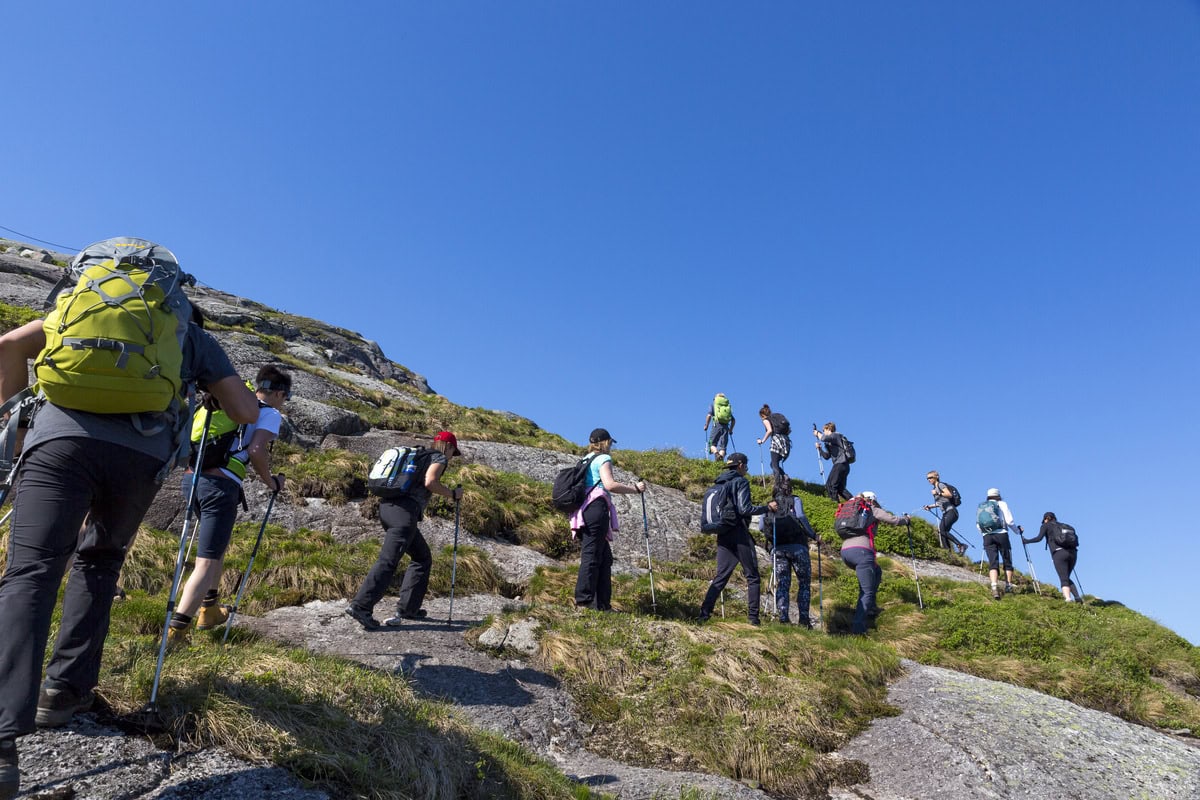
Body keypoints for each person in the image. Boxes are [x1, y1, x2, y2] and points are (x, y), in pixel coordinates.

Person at [0, 238, 258, 800]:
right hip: (139, 457)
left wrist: (22, 421)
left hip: (58, 443)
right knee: (100, 562)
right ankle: (65, 693)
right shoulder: (185, 328)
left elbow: (7, 346)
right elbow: (245, 412)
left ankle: (2, 739)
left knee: (32, 573)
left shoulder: (74, 307)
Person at [167, 365, 291, 645]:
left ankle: (209, 609)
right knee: (206, 561)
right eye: (285, 397)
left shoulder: (227, 402)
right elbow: (257, 450)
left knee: (215, 549)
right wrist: (271, 482)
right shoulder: (269, 413)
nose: (283, 402)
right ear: (280, 393)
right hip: (221, 486)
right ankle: (177, 631)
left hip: (192, 479)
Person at [345, 431, 464, 629]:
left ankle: (409, 608)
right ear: (448, 446)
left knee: (422, 557)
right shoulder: (439, 457)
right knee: (389, 560)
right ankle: (361, 606)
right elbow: (430, 482)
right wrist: (453, 494)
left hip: (387, 509)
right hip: (404, 513)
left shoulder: (417, 455)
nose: (453, 456)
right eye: (453, 451)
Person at [569, 428, 645, 610]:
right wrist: (635, 489)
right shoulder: (603, 459)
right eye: (610, 442)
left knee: (604, 557)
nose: (611, 446)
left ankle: (603, 604)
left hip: (583, 511)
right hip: (596, 508)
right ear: (606, 442)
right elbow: (609, 484)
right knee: (593, 555)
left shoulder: (585, 459)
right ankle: (584, 601)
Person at [698, 453, 777, 625]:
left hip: (723, 532)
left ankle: (704, 613)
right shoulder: (740, 481)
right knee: (753, 576)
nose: (747, 469)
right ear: (740, 465)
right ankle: (753, 619)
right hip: (739, 533)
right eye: (746, 465)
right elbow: (745, 508)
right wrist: (767, 508)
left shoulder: (718, 483)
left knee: (721, 576)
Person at [840, 491, 908, 634]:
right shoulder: (871, 509)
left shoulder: (852, 509)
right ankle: (858, 628)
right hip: (862, 552)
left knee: (876, 571)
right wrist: (906, 520)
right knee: (867, 591)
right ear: (872, 500)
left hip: (846, 551)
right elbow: (893, 520)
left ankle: (870, 607)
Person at [757, 484, 819, 627]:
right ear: (789, 490)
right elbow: (801, 516)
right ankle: (804, 620)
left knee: (783, 583)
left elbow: (761, 527)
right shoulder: (795, 500)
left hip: (778, 548)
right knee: (804, 583)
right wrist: (813, 535)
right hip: (798, 547)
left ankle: (783, 617)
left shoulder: (768, 506)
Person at [1022, 512, 1081, 602]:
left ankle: (1068, 599)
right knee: (1066, 577)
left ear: (1045, 519)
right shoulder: (1064, 526)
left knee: (1063, 578)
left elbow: (1039, 538)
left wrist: (1026, 541)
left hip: (1059, 553)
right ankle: (1077, 598)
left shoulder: (1046, 525)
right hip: (1073, 553)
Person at [976, 487, 1021, 600]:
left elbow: (978, 524)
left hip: (987, 536)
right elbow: (1009, 521)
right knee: (1007, 559)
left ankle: (994, 587)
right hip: (1001, 534)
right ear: (998, 495)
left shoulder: (982, 505)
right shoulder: (1002, 504)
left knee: (993, 561)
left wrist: (984, 534)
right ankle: (1008, 586)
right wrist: (1017, 531)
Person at [923, 470, 967, 554]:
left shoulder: (940, 485)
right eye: (927, 478)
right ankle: (948, 552)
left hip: (950, 511)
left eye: (930, 477)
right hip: (947, 512)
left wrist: (937, 493)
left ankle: (960, 545)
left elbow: (949, 494)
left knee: (942, 530)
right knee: (943, 532)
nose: (929, 480)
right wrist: (930, 506)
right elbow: (940, 503)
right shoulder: (935, 488)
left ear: (936, 477)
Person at [756, 404, 791, 492]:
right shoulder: (777, 418)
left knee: (774, 464)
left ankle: (777, 485)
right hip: (785, 441)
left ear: (762, 415)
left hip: (776, 441)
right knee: (773, 463)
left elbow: (770, 430)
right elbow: (789, 430)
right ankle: (784, 476)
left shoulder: (766, 420)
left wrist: (762, 441)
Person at [814, 422, 851, 501]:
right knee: (840, 488)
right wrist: (820, 449)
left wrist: (817, 433)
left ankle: (834, 504)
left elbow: (823, 438)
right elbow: (827, 456)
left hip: (840, 464)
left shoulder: (836, 435)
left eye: (824, 430)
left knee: (830, 485)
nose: (823, 432)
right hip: (843, 465)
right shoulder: (830, 442)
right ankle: (854, 502)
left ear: (829, 429)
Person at [703, 393, 735, 461]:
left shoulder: (714, 405)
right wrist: (731, 430)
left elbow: (709, 415)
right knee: (723, 447)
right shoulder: (727, 407)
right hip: (726, 427)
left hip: (716, 425)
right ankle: (720, 462)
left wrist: (706, 425)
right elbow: (733, 420)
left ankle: (716, 454)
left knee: (711, 444)